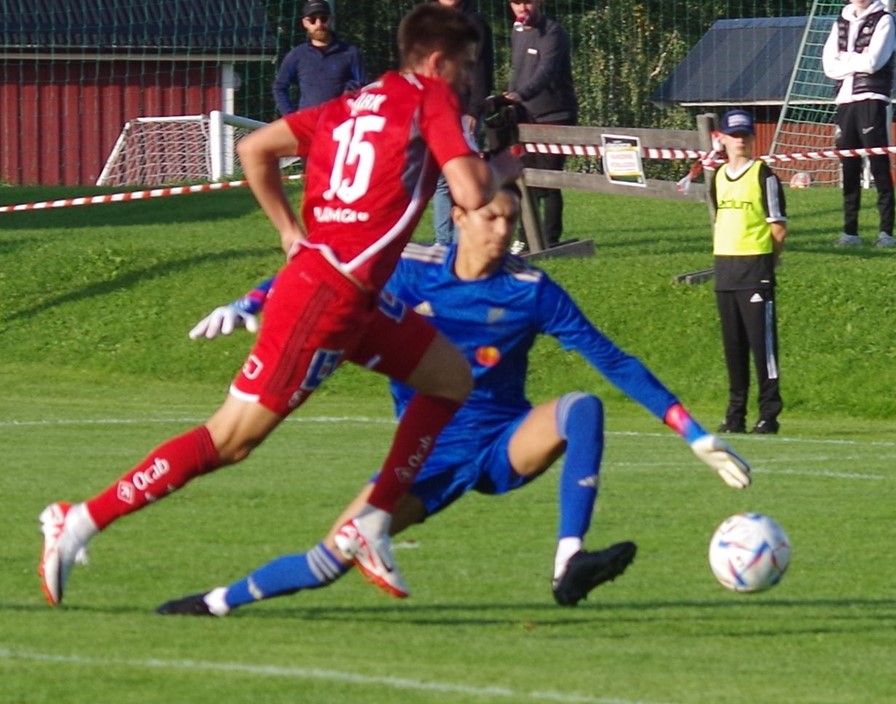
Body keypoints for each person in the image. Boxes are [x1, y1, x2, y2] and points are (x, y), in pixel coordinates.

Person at [38, 3, 523, 606]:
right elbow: (473, 191)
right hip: (326, 300)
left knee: (449, 378)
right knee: (231, 440)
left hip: (348, 292)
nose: (469, 80)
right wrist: (508, 157)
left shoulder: (351, 104)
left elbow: (255, 149)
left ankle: (370, 522)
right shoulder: (431, 96)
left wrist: (288, 232)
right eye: (467, 67)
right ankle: (79, 519)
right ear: (437, 61)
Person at [154, 187, 752, 618]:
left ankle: (569, 563)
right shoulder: (410, 270)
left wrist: (695, 434)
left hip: (505, 441)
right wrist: (249, 304)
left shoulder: (531, 289)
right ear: (459, 215)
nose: (504, 231)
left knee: (582, 407)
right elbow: (320, 269)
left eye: (511, 219)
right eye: (491, 217)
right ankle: (214, 602)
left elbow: (613, 360)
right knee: (329, 558)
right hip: (423, 460)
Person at [710, 109, 787, 435]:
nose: (740, 141)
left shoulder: (763, 175)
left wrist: (767, 263)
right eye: (734, 135)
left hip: (754, 268)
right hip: (725, 269)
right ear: (722, 138)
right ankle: (735, 415)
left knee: (762, 347)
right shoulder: (717, 176)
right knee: (734, 347)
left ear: (753, 138)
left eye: (745, 135)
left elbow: (778, 228)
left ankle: (768, 415)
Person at [821, 0, 896, 249]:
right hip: (845, 101)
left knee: (878, 164)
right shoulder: (838, 22)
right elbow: (829, 66)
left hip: (872, 98)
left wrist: (846, 61)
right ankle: (850, 231)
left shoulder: (885, 20)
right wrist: (855, 59)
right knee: (848, 166)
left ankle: (885, 232)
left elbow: (874, 62)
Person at [504, 0, 578, 251]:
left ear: (538, 0)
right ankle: (526, 238)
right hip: (525, 115)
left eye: (528, 1)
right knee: (525, 178)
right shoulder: (518, 30)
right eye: (517, 3)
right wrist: (511, 97)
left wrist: (521, 94)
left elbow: (545, 72)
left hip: (555, 114)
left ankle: (550, 238)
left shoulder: (553, 32)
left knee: (548, 177)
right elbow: (517, 68)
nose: (523, 8)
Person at [430, 0, 495, 245]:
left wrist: (473, 110)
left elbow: (481, 69)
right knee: (441, 180)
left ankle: (461, 242)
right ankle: (442, 243)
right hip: (435, 111)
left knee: (464, 178)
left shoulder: (474, 22)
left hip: (463, 110)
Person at [271, 0, 366, 116]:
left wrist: (352, 92)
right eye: (312, 20)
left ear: (331, 19)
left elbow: (364, 86)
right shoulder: (297, 55)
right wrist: (291, 118)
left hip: (340, 125)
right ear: (305, 23)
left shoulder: (350, 53)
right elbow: (279, 87)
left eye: (323, 18)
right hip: (308, 127)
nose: (319, 24)